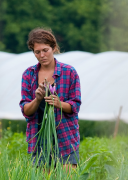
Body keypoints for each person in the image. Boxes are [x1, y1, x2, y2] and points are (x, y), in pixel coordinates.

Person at [19, 27, 81, 171]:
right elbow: (26, 110)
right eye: (37, 52)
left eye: (45, 50)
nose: (42, 55)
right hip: (39, 137)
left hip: (65, 136)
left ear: (53, 48)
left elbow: (75, 106)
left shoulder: (69, 72)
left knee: (68, 175)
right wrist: (37, 99)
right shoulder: (29, 75)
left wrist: (59, 104)